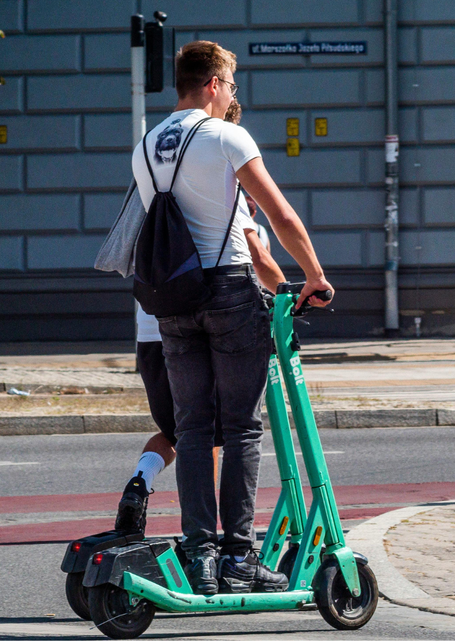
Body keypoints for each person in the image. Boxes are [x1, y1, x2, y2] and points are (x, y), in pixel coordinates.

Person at [131, 40, 331, 596]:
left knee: (193, 427)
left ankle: (201, 557)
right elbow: (278, 213)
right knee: (241, 427)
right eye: (232, 87)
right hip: (228, 290)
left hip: (173, 300)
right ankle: (240, 556)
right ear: (215, 84)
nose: (232, 97)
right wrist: (313, 275)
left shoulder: (146, 144)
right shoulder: (226, 136)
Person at [115, 100, 285, 537]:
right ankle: (225, 544)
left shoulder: (154, 175)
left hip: (156, 326)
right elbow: (260, 252)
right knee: (232, 431)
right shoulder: (224, 193)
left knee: (183, 431)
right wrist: (289, 293)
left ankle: (148, 489)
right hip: (218, 304)